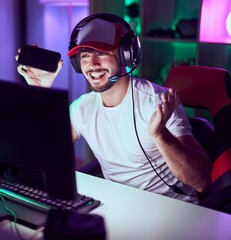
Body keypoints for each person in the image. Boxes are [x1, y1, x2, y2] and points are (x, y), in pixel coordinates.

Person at [15, 13, 211, 203]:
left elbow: (201, 181)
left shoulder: (158, 103)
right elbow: (45, 155)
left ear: (127, 55)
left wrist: (160, 135)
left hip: (172, 209)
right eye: (84, 55)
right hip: (117, 206)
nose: (92, 64)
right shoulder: (82, 108)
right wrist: (40, 90)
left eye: (102, 53)